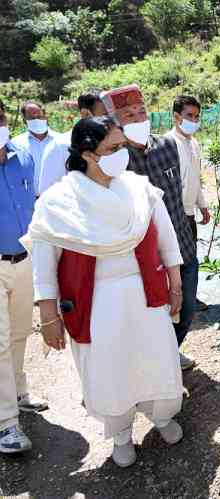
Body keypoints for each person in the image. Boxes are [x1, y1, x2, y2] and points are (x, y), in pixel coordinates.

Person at [25, 117, 185, 468]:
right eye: (112, 149)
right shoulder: (58, 202)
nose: (121, 155)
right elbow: (44, 266)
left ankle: (161, 418)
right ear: (87, 154)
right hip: (97, 304)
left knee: (156, 359)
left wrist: (176, 282)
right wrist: (49, 317)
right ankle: (121, 434)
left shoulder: (139, 189)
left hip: (146, 294)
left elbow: (167, 238)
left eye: (122, 147)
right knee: (111, 371)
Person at [101, 84, 199, 371]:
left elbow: (177, 195)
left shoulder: (168, 146)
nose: (138, 119)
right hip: (144, 258)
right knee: (154, 314)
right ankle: (155, 365)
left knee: (187, 309)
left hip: (182, 246)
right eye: (128, 115)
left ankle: (171, 350)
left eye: (141, 111)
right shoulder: (115, 160)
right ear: (115, 121)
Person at [0, 98, 48, 455]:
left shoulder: (23, 156)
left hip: (24, 258)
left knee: (19, 333)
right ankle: (6, 424)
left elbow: (33, 203)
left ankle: (18, 393)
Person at [165, 96, 211, 312]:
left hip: (189, 212)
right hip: (174, 213)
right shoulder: (167, 144)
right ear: (176, 117)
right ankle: (178, 298)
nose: (193, 120)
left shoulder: (194, 143)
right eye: (189, 116)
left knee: (190, 256)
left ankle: (190, 297)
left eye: (196, 116)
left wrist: (202, 204)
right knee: (177, 258)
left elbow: (195, 177)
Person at [38, 92, 107, 195]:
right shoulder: (60, 146)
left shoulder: (116, 143)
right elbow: (47, 192)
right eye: (106, 114)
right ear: (86, 114)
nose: (113, 118)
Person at [11, 101, 62, 196]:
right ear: (24, 121)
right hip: (29, 199)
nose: (36, 120)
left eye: (39, 116)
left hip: (57, 198)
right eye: (31, 118)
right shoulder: (16, 144)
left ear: (45, 117)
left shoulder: (61, 141)